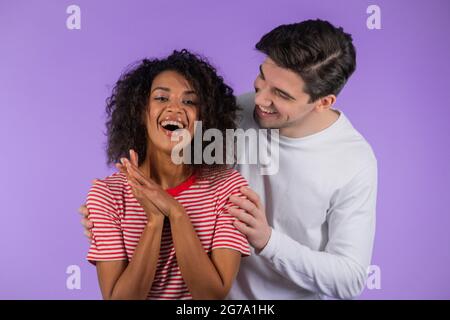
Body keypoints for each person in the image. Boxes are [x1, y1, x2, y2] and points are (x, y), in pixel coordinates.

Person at [80, 19, 378, 300]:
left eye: (281, 94)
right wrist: (115, 211)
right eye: (262, 77)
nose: (260, 100)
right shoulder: (235, 113)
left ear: (323, 102)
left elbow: (349, 278)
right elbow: (170, 158)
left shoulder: (352, 160)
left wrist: (268, 241)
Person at [83, 49, 250, 300]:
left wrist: (176, 213)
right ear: (140, 111)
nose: (175, 109)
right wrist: (154, 220)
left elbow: (211, 298)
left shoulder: (227, 187)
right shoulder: (107, 194)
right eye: (161, 98)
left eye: (189, 101)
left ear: (205, 118)